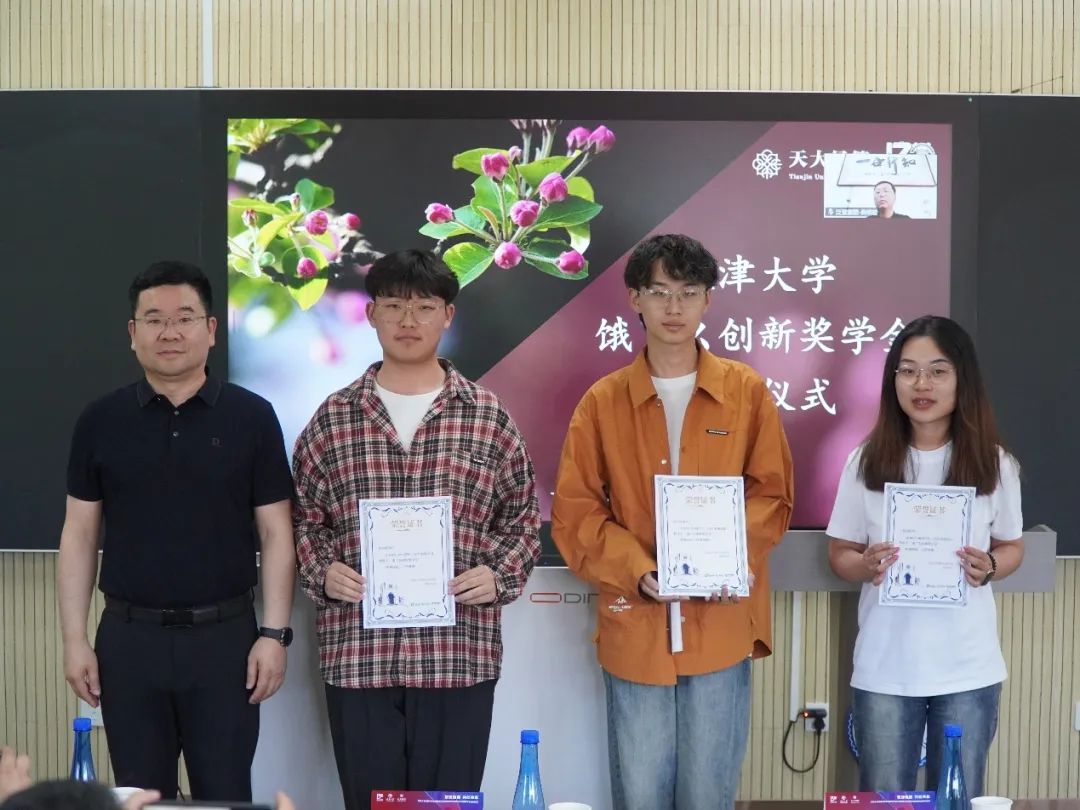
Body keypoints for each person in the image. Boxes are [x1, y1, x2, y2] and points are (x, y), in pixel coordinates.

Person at [551, 234, 794, 810]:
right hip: (636, 623)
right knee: (640, 795)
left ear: (708, 299)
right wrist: (636, 569)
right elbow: (576, 511)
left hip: (721, 622)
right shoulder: (602, 402)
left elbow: (772, 495)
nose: (674, 307)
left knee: (709, 795)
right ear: (635, 299)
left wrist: (729, 556)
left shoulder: (747, 392)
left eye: (688, 292)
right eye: (659, 292)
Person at [292, 250, 541, 810]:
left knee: (444, 807)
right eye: (394, 305)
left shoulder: (487, 416)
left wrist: (497, 575)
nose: (409, 320)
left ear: (448, 315)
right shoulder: (333, 419)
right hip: (359, 658)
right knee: (369, 805)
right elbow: (304, 519)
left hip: (458, 658)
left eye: (425, 307)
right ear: (371, 314)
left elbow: (522, 519)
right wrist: (323, 571)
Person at [57, 261, 296, 801]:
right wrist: (74, 641)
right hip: (129, 641)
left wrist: (274, 635)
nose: (170, 332)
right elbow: (79, 534)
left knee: (226, 793)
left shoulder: (252, 417)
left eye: (185, 318)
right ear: (133, 333)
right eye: (154, 319)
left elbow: (277, 533)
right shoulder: (100, 420)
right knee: (140, 796)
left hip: (226, 642)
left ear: (211, 330)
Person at [826, 315, 1024, 796]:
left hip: (968, 667)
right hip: (885, 667)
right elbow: (840, 553)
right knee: (883, 799)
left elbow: (1012, 546)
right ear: (892, 379)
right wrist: (865, 566)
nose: (922, 384)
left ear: (962, 379)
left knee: (957, 797)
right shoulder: (864, 461)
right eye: (908, 370)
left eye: (938, 371)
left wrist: (990, 566)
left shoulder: (995, 463)